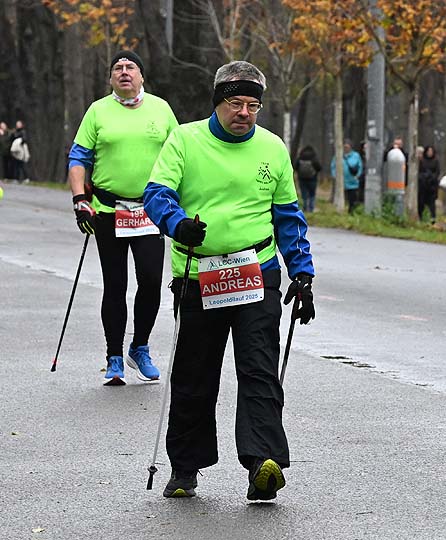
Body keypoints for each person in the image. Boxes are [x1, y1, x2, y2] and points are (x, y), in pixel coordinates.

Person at [143, 60, 316, 501]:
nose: (244, 113)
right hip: (200, 271)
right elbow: (157, 195)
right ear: (218, 102)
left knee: (259, 368)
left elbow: (288, 216)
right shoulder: (185, 140)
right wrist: (177, 224)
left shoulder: (272, 147)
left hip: (256, 270)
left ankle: (263, 463)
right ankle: (186, 466)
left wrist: (302, 273)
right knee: (195, 372)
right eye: (236, 103)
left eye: (252, 106)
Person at [68, 50, 178, 386]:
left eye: (131, 67)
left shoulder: (161, 109)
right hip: (108, 210)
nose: (124, 71)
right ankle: (113, 356)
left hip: (150, 210)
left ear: (142, 76)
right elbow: (78, 157)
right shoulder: (98, 111)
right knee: (115, 284)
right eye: (118, 68)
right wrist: (79, 199)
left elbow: (181, 156)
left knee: (151, 281)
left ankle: (139, 347)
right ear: (111, 78)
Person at [330, 139, 363, 214]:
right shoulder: (338, 155)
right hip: (341, 182)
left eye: (347, 147)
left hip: (353, 182)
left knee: (352, 198)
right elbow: (333, 166)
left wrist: (357, 176)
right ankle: (340, 211)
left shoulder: (356, 156)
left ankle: (351, 211)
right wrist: (335, 176)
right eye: (344, 147)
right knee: (341, 198)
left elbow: (360, 166)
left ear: (351, 147)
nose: (346, 148)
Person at [294, 144, 322, 212]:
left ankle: (305, 207)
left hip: (302, 179)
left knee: (304, 194)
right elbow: (319, 167)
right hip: (312, 179)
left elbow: (295, 166)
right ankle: (311, 208)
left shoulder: (300, 157)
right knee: (312, 194)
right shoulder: (313, 157)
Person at [418, 145, 440, 223]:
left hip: (432, 186)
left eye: (431, 151)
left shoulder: (436, 161)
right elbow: (419, 171)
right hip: (423, 185)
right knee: (421, 202)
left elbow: (437, 172)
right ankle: (420, 217)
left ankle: (432, 218)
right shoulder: (422, 161)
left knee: (431, 203)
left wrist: (431, 177)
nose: (430, 153)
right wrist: (424, 177)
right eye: (428, 151)